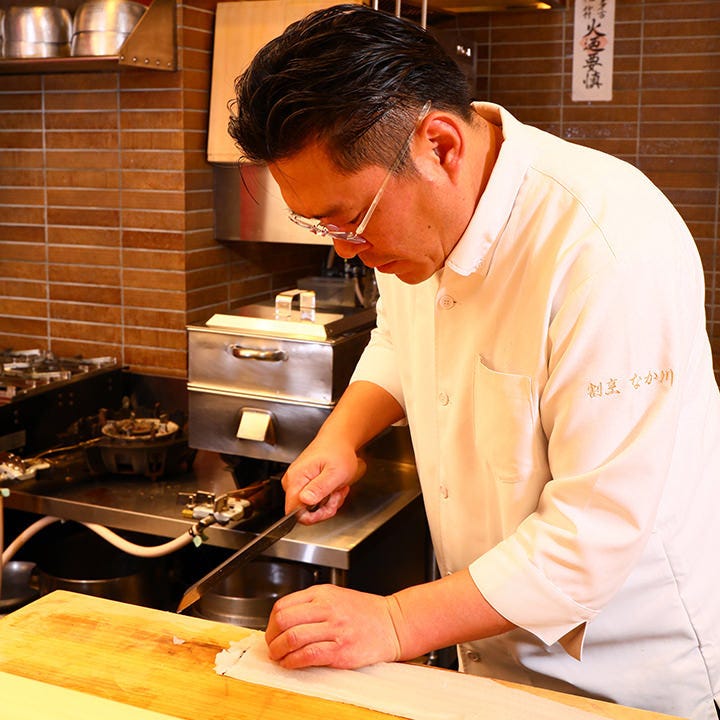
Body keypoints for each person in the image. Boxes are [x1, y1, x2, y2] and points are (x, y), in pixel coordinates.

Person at [227, 5, 720, 719]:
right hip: (486, 649)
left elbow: (592, 535)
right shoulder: (418, 223)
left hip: (626, 675)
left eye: (350, 218)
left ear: (440, 145)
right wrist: (342, 435)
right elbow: (398, 339)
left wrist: (395, 623)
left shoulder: (607, 248)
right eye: (322, 225)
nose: (342, 249)